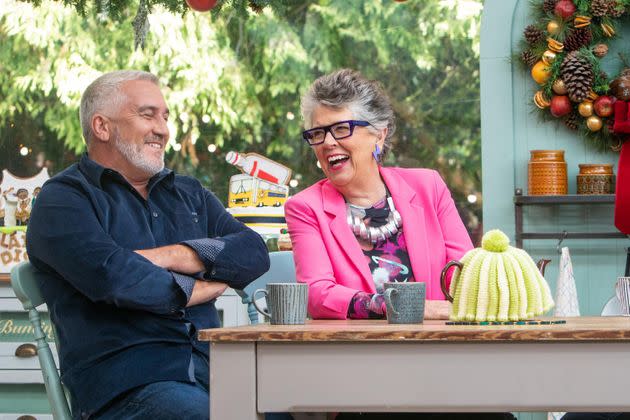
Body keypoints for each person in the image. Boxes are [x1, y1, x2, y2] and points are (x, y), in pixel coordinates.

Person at [26, 70, 270, 419]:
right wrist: (202, 286)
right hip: (128, 386)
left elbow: (253, 252)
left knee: (297, 408)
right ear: (102, 127)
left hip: (214, 370)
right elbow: (116, 277)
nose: (163, 129)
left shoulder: (188, 193)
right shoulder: (63, 200)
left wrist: (174, 254)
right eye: (147, 114)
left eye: (165, 117)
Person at [284, 69, 513, 420]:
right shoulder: (305, 207)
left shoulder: (428, 186)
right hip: (363, 381)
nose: (328, 142)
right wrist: (400, 308)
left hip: (446, 368)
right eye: (317, 133)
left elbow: (465, 275)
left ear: (379, 134)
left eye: (341, 128)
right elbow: (317, 294)